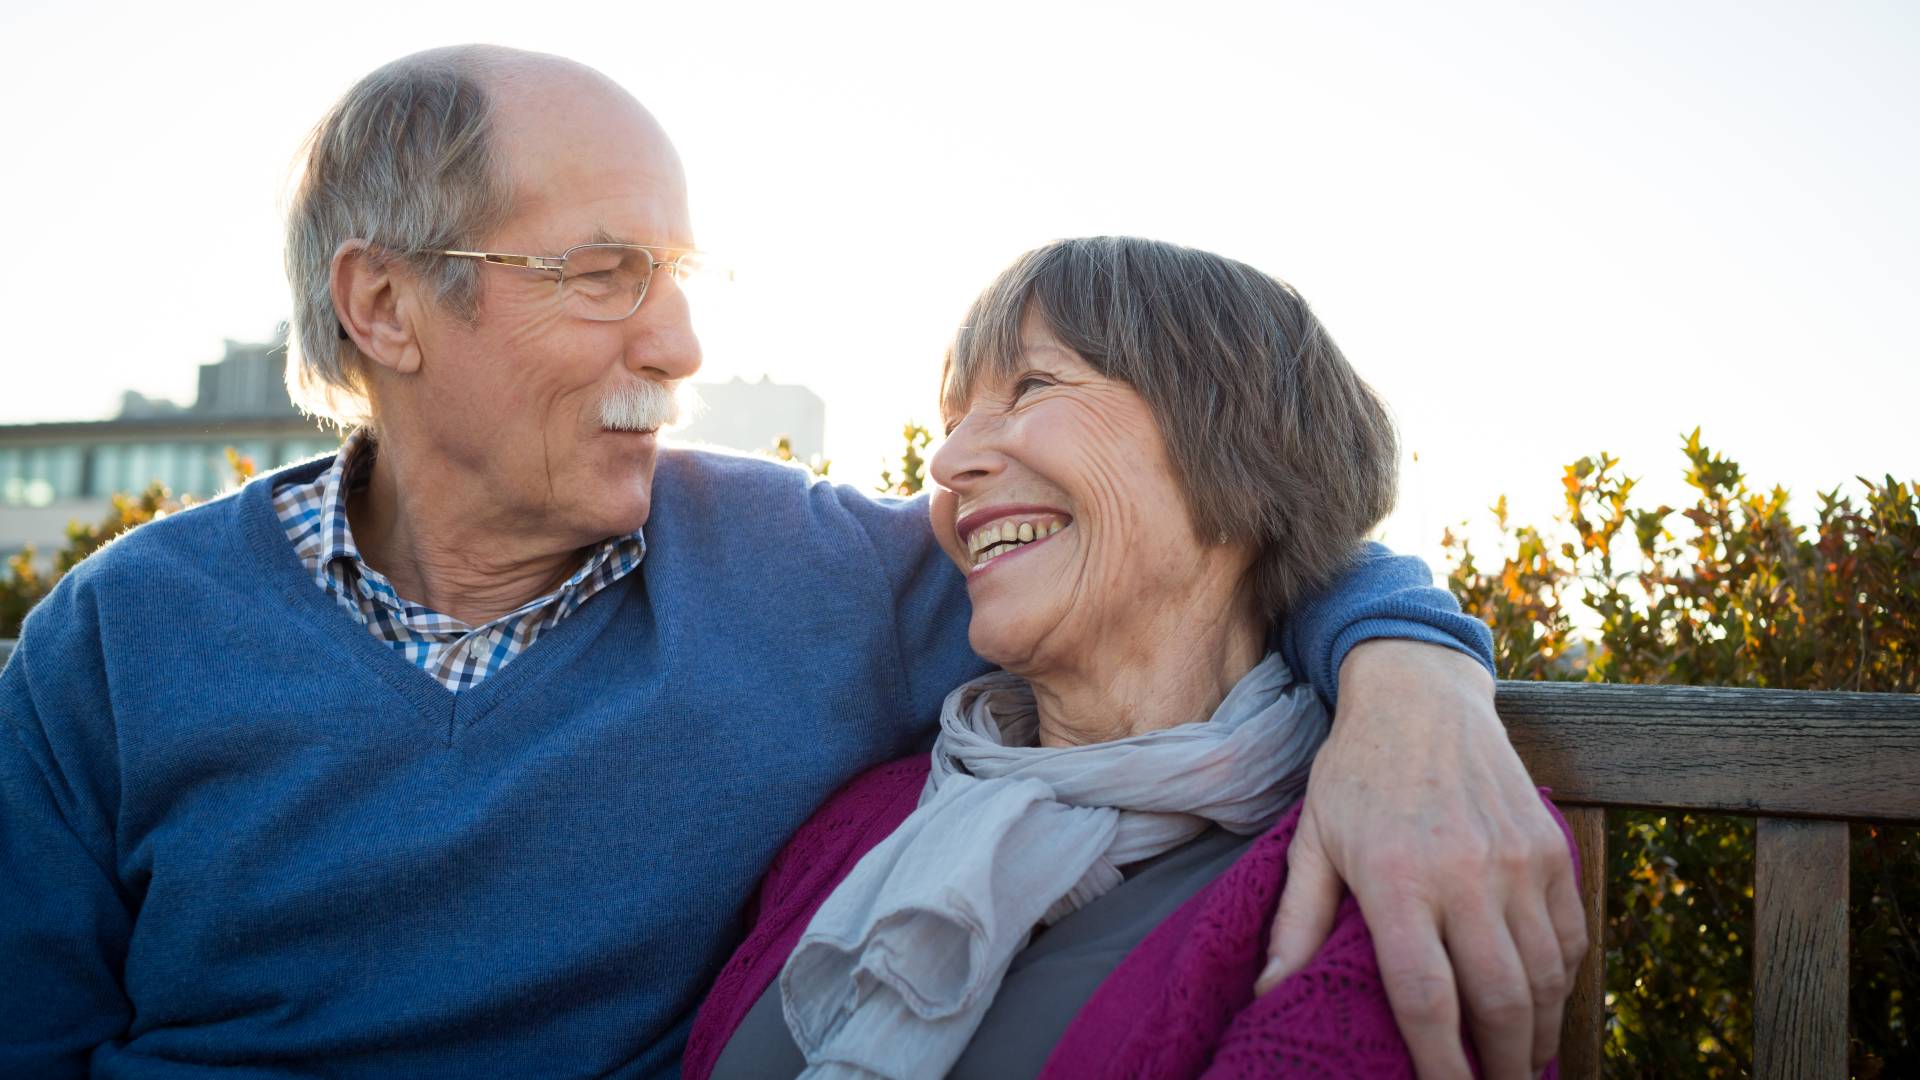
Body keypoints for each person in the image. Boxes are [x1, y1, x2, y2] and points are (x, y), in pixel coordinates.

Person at [0, 47, 1581, 1079]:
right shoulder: (116, 645)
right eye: (603, 273)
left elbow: (1209, 539)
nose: (679, 344)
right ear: (387, 307)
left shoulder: (811, 577)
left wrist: (1412, 685)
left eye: (679, 276)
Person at [687, 237, 1577, 1079]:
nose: (949, 461)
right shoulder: (857, 822)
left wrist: (1418, 672)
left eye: (1033, 384)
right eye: (953, 420)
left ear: (1235, 444)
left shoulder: (1409, 838)